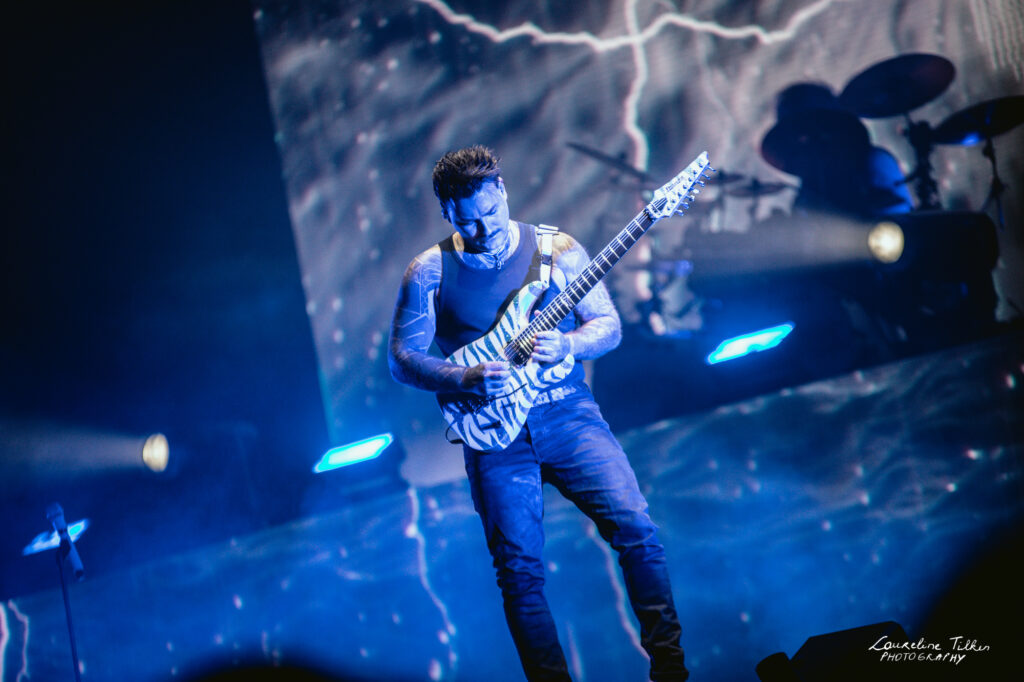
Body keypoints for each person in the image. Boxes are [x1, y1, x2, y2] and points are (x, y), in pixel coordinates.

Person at [388, 146, 688, 681]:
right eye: (467, 222)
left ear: (502, 191)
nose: (484, 231)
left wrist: (569, 344)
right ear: (446, 213)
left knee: (637, 527)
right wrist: (462, 377)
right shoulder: (429, 271)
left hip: (567, 412)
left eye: (490, 213)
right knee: (519, 573)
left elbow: (607, 326)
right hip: (494, 435)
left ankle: (671, 671)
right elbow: (402, 360)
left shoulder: (558, 249)